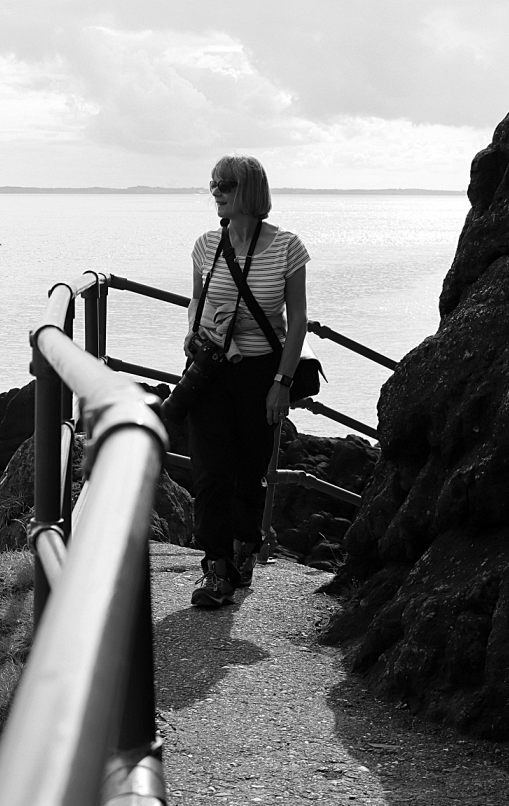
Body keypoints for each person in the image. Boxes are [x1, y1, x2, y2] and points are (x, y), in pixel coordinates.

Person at [184, 154, 309, 609]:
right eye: (213, 183)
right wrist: (193, 333)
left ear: (250, 191)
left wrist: (282, 383)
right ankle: (216, 568)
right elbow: (196, 301)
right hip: (211, 371)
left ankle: (243, 551)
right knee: (210, 472)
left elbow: (298, 322)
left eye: (227, 185)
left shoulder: (287, 247)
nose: (216, 191)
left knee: (249, 472)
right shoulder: (205, 245)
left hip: (261, 374)